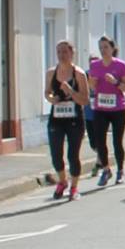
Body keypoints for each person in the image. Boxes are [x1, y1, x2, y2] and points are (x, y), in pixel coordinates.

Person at [43, 41, 91, 200]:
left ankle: (74, 187)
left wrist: (71, 91)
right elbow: (47, 93)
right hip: (56, 118)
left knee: (72, 155)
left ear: (72, 53)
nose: (61, 55)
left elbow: (85, 100)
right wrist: (52, 99)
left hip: (74, 119)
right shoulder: (51, 73)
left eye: (64, 52)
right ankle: (63, 181)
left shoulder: (79, 74)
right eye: (58, 52)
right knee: (56, 154)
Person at [86, 36, 125, 187]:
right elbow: (92, 87)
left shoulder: (120, 65)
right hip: (101, 108)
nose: (103, 50)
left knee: (117, 141)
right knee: (100, 141)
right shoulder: (95, 65)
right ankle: (106, 169)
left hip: (118, 108)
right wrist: (92, 83)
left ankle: (120, 170)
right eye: (101, 48)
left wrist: (115, 82)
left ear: (112, 48)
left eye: (106, 47)